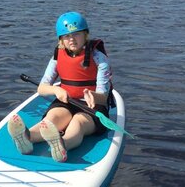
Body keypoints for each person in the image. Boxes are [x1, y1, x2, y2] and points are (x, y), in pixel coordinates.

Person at [7, 12, 113, 163]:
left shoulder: (99, 59)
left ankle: (63, 144)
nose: (71, 39)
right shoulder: (57, 57)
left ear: (85, 35)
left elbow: (103, 96)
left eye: (76, 34)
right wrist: (56, 90)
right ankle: (26, 137)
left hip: (93, 106)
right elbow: (42, 88)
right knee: (52, 118)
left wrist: (93, 95)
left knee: (78, 122)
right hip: (67, 101)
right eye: (67, 36)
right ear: (61, 39)